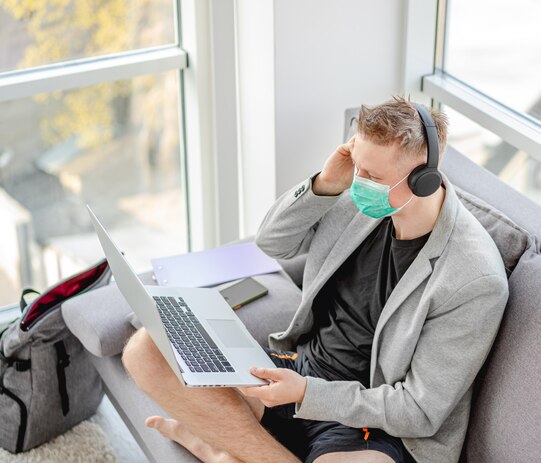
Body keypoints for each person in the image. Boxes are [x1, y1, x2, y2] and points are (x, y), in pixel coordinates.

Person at [121, 96, 509, 463]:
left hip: (371, 419)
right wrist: (325, 183)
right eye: (358, 167)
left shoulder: (473, 278)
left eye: (372, 175)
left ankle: (225, 450)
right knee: (144, 350)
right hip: (298, 366)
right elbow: (273, 242)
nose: (360, 183)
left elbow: (418, 410)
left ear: (423, 178)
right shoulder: (363, 201)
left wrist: (307, 394)